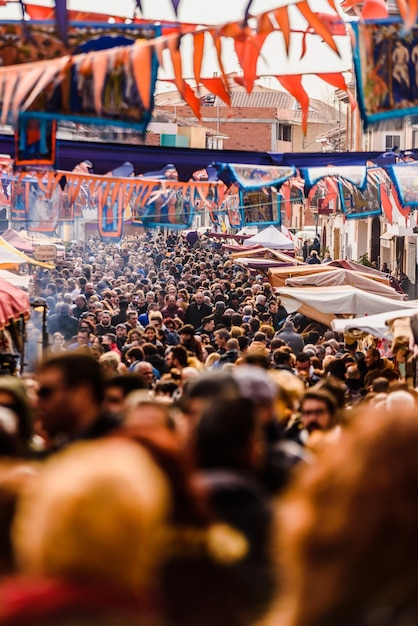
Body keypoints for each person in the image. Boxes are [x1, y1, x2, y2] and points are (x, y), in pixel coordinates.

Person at [36, 353, 121, 453]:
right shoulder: (64, 442)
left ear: (82, 394)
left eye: (46, 392)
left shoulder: (119, 445)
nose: (38, 401)